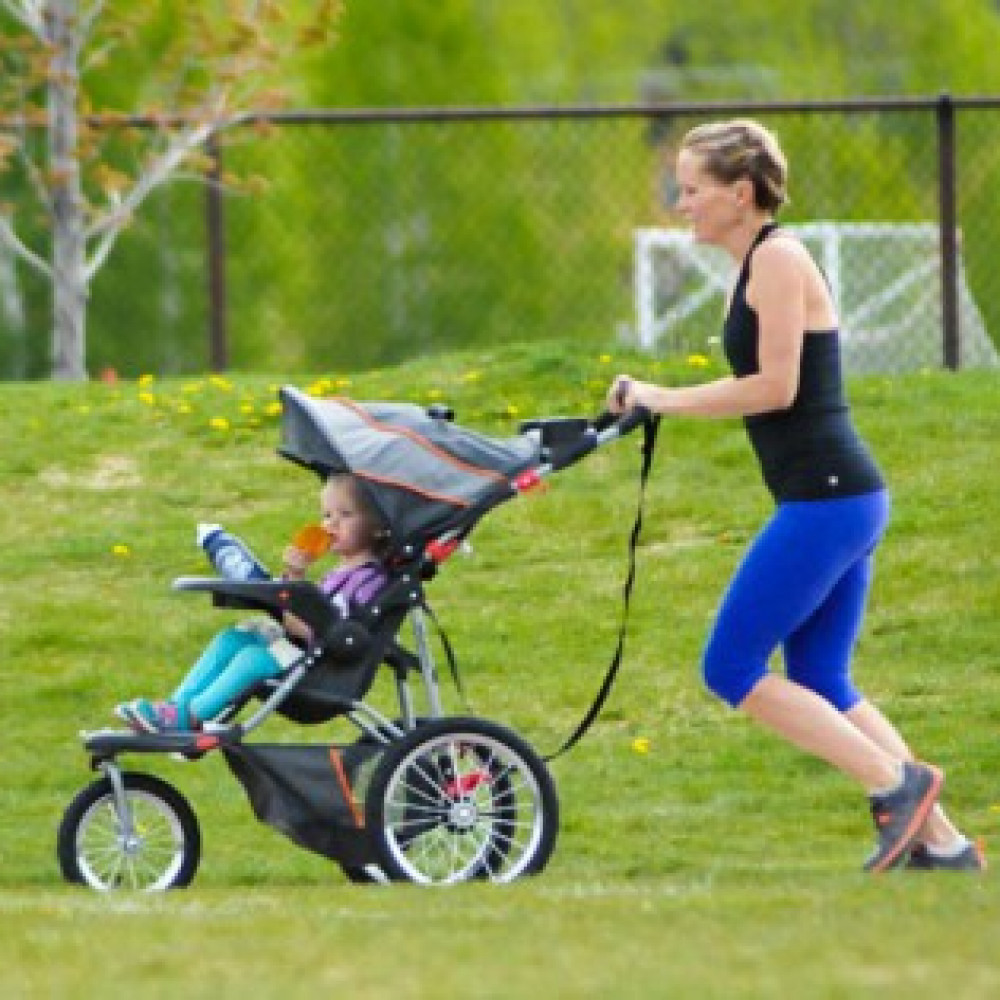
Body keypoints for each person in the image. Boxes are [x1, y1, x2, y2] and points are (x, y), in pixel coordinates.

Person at [608, 119, 983, 873]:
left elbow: (775, 388)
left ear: (740, 193)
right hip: (837, 496)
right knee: (821, 678)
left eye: (691, 190)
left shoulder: (778, 259)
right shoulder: (757, 265)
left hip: (827, 497)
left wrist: (661, 397)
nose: (680, 205)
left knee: (731, 666)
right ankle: (942, 846)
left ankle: (896, 787)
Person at [116, 473, 389, 734]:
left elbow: (326, 632)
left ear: (377, 525)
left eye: (346, 515)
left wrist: (297, 590)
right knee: (232, 638)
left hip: (321, 668)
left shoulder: (368, 581)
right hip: (300, 652)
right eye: (327, 515)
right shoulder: (336, 574)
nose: (331, 524)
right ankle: (175, 709)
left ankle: (192, 717)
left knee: (253, 658)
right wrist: (295, 577)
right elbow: (298, 623)